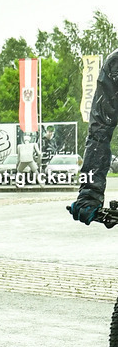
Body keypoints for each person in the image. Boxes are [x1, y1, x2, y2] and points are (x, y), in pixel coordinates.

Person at [70, 50, 118, 224]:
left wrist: (90, 193)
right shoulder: (115, 64)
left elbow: (99, 131)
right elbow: (100, 131)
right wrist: (89, 193)